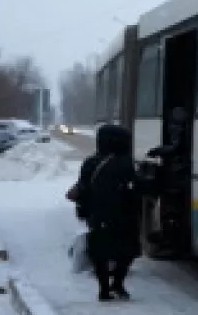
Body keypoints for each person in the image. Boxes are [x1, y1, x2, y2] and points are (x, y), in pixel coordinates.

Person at [70, 124, 150, 302]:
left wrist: (83, 210)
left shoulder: (90, 163)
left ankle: (104, 289)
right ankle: (118, 284)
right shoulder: (125, 162)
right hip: (125, 215)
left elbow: (83, 187)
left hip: (98, 216)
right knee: (126, 251)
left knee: (100, 253)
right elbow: (138, 187)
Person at [146, 107, 189, 258]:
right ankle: (168, 241)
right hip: (173, 179)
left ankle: (171, 244)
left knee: (171, 213)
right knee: (168, 212)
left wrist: (158, 151)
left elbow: (174, 148)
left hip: (175, 181)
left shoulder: (179, 132)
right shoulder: (182, 129)